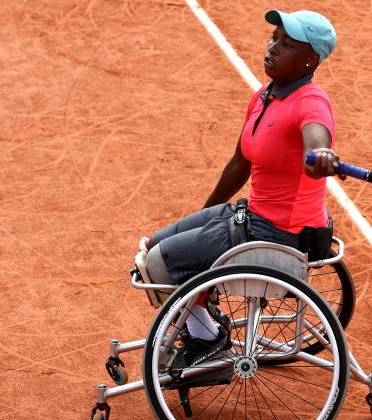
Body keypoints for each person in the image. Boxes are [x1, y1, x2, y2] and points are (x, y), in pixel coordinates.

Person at [139, 9, 343, 368]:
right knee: (153, 246)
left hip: (279, 231)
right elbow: (239, 163)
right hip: (252, 215)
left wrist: (320, 155)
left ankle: (208, 338)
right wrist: (201, 217)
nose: (272, 48)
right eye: (274, 39)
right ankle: (205, 317)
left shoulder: (311, 102)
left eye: (287, 45)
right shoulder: (265, 96)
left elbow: (316, 137)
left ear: (311, 59)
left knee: (157, 265)